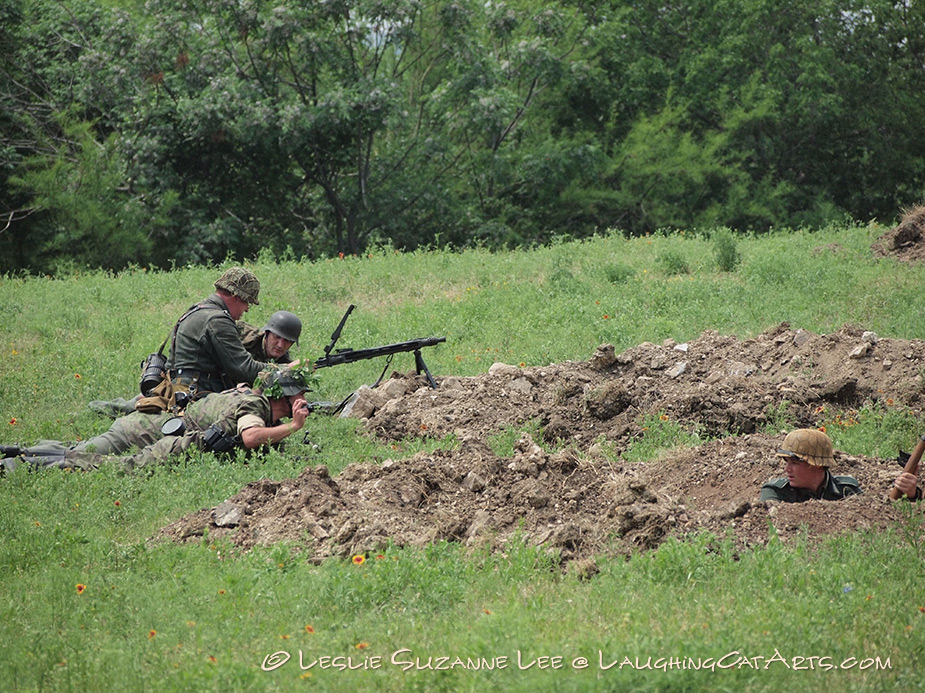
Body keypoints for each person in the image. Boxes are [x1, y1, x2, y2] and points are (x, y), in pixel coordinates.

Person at [2, 366, 312, 474]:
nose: (304, 401)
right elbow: (250, 437)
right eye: (298, 395)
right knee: (104, 463)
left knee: (84, 450)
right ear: (283, 396)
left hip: (163, 429)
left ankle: (22, 453)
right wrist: (294, 426)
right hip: (149, 431)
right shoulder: (254, 406)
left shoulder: (250, 398)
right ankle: (22, 462)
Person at [89, 269, 297, 417]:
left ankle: (112, 408)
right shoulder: (218, 320)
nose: (247, 310)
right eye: (247, 302)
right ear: (235, 296)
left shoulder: (197, 309)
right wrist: (284, 371)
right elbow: (243, 368)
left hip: (176, 387)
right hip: (197, 395)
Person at [759, 428, 863, 502]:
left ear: (816, 465)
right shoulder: (776, 491)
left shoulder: (847, 489)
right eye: (786, 462)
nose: (787, 469)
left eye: (794, 463)